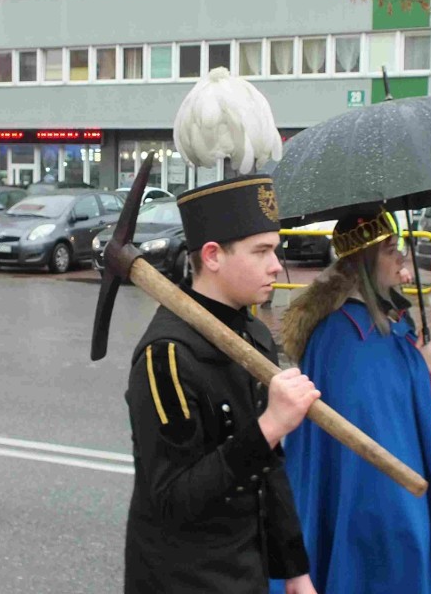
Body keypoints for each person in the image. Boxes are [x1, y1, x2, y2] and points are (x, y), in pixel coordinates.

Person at [124, 175, 320, 594]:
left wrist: (295, 570)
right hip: (182, 578)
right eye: (262, 251)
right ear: (213, 255)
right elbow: (174, 501)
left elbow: (269, 469)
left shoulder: (254, 334)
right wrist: (269, 425)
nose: (276, 265)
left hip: (245, 569)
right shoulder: (169, 357)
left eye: (276, 249)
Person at [270, 208, 431, 594]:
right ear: (366, 260)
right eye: (392, 250)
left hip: (394, 488)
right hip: (374, 499)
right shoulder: (343, 337)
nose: (402, 259)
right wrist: (417, 367)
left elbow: (401, 405)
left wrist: (427, 373)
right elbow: (369, 432)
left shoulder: (390, 322)